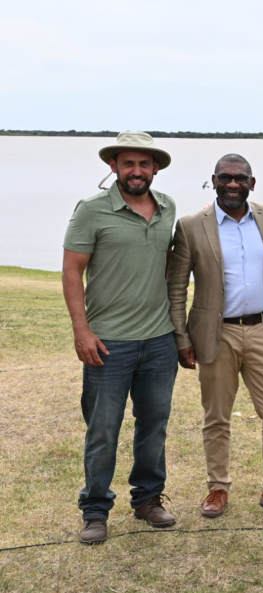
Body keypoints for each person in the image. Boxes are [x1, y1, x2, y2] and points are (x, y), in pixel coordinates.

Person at [62, 132, 179, 545]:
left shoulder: (167, 208)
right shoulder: (92, 210)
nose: (136, 171)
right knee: (103, 430)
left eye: (143, 164)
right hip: (108, 343)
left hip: (160, 341)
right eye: (128, 163)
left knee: (154, 426)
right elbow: (72, 270)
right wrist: (82, 330)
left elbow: (166, 265)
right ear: (113, 166)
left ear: (155, 169)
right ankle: (95, 510)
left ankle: (148, 500)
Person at [167, 154, 263, 519]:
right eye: (225, 178)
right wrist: (182, 337)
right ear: (214, 180)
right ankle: (217, 488)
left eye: (240, 179)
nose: (232, 184)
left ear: (252, 183)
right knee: (217, 417)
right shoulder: (191, 225)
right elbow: (177, 289)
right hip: (215, 334)